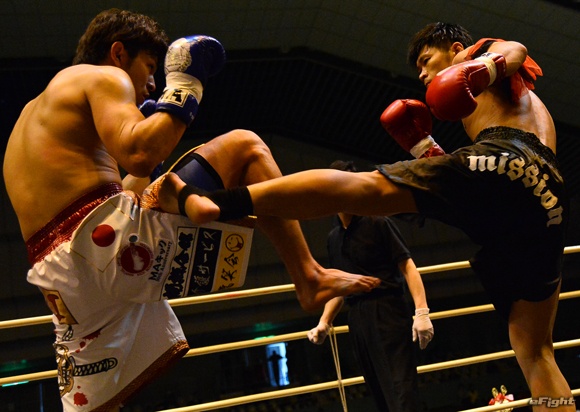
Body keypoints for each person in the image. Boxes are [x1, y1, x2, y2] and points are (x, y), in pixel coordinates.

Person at [169, 22, 574, 408]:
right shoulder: (504, 105)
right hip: (547, 200)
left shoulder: (477, 54)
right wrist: (426, 149)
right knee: (535, 351)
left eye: (426, 61)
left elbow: (515, 50)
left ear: (454, 49)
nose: (422, 75)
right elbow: (477, 186)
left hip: (509, 160)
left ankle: (219, 202)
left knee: (361, 189)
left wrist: (480, 66)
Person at [2, 8, 378, 411]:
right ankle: (309, 276)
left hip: (64, 286)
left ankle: (191, 201)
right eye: (149, 67)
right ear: (118, 53)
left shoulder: (33, 116)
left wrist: (153, 172)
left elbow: (113, 189)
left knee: (99, 406)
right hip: (106, 246)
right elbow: (140, 152)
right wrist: (185, 86)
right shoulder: (102, 76)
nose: (151, 84)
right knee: (245, 146)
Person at [307, 160, 433, 412]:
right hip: (358, 318)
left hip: (387, 310)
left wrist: (422, 312)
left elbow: (407, 266)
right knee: (378, 390)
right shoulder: (334, 238)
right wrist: (324, 322)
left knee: (401, 389)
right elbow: (340, 287)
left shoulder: (377, 222)